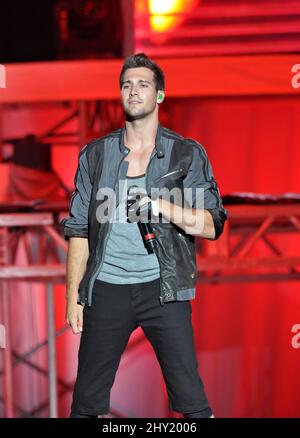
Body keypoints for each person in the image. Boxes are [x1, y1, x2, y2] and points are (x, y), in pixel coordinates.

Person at [63, 53, 227, 419]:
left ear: (160, 96)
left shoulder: (185, 155)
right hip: (105, 288)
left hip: (163, 287)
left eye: (142, 84)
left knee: (191, 401)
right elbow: (78, 230)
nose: (133, 91)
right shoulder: (95, 155)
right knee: (86, 403)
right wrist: (74, 294)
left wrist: (162, 207)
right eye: (126, 85)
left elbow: (212, 225)